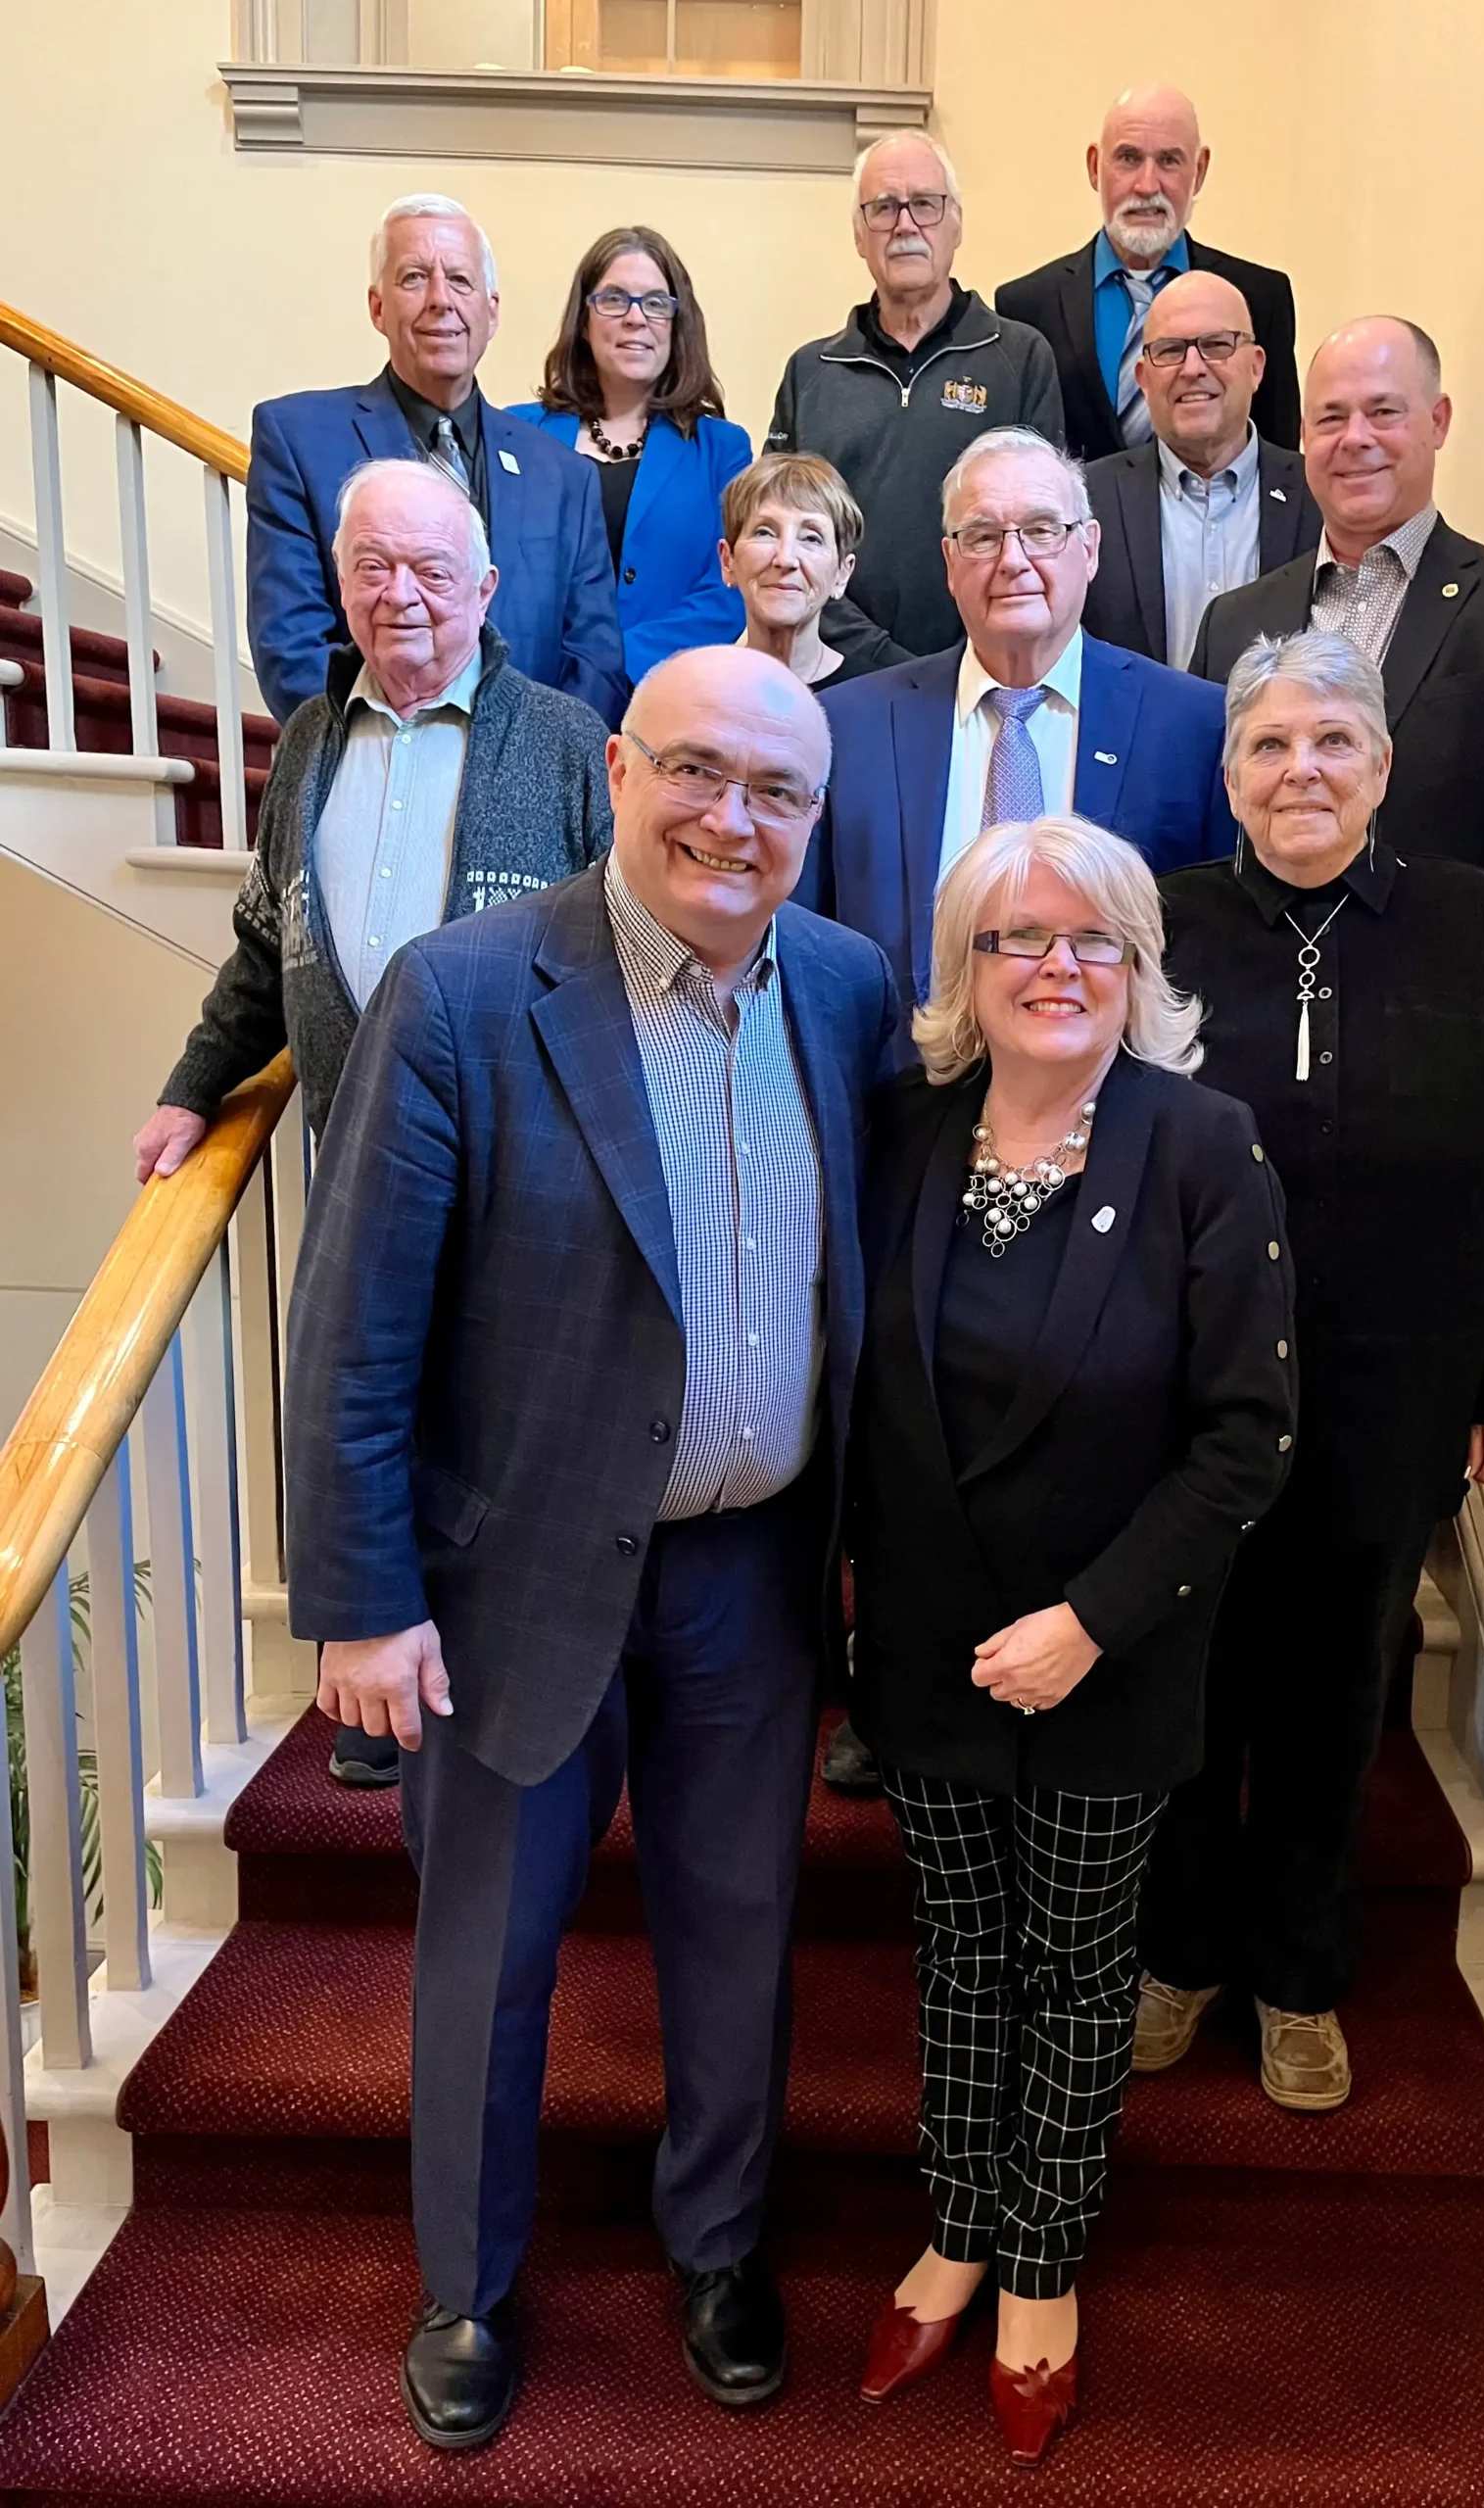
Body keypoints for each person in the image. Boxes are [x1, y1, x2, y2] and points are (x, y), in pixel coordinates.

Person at [281, 644, 893, 2450]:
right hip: (511, 1575)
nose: (732, 819)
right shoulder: (466, 989)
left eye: (776, 791)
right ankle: (467, 2288)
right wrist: (364, 1602)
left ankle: (718, 2244)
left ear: (813, 816)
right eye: (697, 770)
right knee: (489, 1949)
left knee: (737, 1926)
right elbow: (357, 1328)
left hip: (751, 1571)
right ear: (617, 770)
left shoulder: (847, 988)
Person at [847, 813, 1296, 2466]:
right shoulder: (902, 1132)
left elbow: (1246, 1438)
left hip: (1110, 1653)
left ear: (1136, 965)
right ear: (965, 970)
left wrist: (1087, 1624)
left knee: (1075, 1957)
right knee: (962, 1951)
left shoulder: (1202, 1145)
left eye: (1091, 937)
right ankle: (958, 2224)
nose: (1055, 966)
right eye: (1016, 938)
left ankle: (1041, 2260)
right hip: (926, 1647)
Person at [1134, 629, 1484, 2113]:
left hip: (1395, 1392)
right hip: (1191, 1398)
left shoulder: (1474, 925)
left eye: (1332, 741)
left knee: (1336, 1696)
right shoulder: (1166, 924)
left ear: (1382, 767)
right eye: (1268, 745)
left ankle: (1300, 1973)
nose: (1301, 770)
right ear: (1229, 777)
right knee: (1192, 1684)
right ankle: (1182, 1950)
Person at [135, 457, 615, 1789]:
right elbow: (263, 944)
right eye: (372, 567)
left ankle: (522, 1679)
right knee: (368, 1411)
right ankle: (378, 1686)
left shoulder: (567, 741)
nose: (401, 593)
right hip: (357, 1159)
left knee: (508, 1429)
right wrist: (193, 1085)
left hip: (529, 1173)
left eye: (430, 569)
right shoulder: (304, 742)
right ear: (339, 584)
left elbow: (621, 958)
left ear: (486, 587)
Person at [1187, 317, 1484, 1017]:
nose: (1356, 439)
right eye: (1331, 418)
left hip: (1441, 1021)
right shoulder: (1233, 622)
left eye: (1383, 412)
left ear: (1437, 422)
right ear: (1304, 437)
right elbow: (1212, 833)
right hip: (1258, 1018)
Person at [801, 427, 1235, 1039]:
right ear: (950, 564)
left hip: (1114, 1082)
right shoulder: (849, 728)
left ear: (1089, 549)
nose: (1012, 560)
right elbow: (805, 947)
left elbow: (1213, 954)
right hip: (900, 1087)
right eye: (982, 536)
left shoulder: (1192, 727)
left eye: (1041, 529)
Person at [247, 192, 625, 729]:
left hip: (529, 774)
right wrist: (407, 750)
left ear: (491, 311)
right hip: (367, 762)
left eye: (461, 280)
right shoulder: (297, 441)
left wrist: (529, 759)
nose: (441, 300)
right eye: (414, 278)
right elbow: (291, 650)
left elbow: (596, 660)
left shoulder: (564, 475)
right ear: (377, 307)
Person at [766, 131, 1063, 659]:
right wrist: (875, 656)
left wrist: (966, 661)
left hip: (983, 669)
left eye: (925, 204)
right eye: (884, 208)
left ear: (956, 224)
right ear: (859, 235)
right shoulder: (810, 372)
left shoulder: (1020, 358)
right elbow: (784, 541)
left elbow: (1042, 532)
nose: (905, 225)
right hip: (837, 671)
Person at [997, 83, 1299, 464]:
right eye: (1128, 158)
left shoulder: (1259, 299)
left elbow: (1280, 463)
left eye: (1169, 161)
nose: (1146, 186)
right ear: (1094, 166)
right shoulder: (1026, 307)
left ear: (1199, 171)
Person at [504, 226, 751, 682]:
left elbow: (728, 593)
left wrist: (609, 667)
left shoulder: (723, 450)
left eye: (656, 303)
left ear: (678, 325)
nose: (636, 318)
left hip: (664, 696)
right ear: (583, 321)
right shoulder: (516, 434)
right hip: (531, 690)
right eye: (614, 299)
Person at [1083, 268, 1320, 667]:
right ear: (1142, 378)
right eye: (1170, 350)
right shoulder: (1087, 501)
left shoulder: (1319, 495)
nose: (1192, 368)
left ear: (1256, 367)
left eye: (1216, 345)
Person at [719, 451, 890, 693]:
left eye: (811, 538)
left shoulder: (876, 697)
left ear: (842, 573)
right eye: (764, 532)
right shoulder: (693, 692)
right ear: (728, 561)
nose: (785, 559)